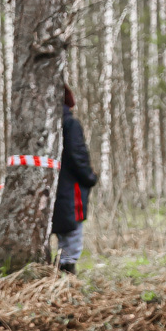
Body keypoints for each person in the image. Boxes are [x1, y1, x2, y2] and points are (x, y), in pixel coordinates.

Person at [53, 86, 99, 273]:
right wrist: (89, 177)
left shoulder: (49, 124)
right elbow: (77, 155)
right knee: (72, 234)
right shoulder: (70, 124)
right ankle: (66, 273)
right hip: (70, 190)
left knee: (65, 234)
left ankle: (62, 269)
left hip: (56, 191)